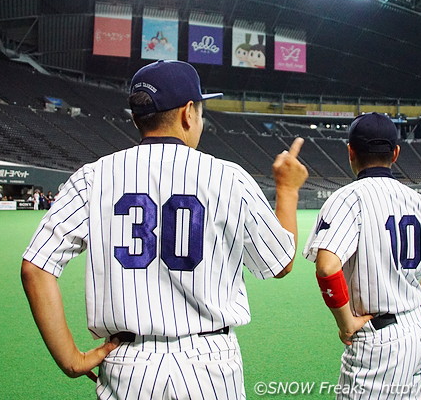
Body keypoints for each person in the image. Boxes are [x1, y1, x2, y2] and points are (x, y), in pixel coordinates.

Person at [21, 60, 308, 400]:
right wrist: (287, 190)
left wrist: (70, 359)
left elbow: (35, 267)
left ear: (136, 118)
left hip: (128, 364)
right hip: (210, 362)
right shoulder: (229, 177)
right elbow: (281, 262)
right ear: (189, 113)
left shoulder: (93, 177)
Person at [303, 112, 421, 399]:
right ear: (395, 153)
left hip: (379, 341)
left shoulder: (348, 198)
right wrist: (409, 314)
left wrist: (346, 322)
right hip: (419, 333)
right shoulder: (419, 201)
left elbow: (327, 267)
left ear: (350, 152)